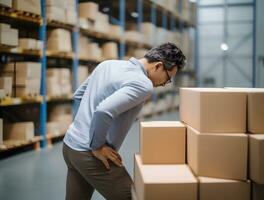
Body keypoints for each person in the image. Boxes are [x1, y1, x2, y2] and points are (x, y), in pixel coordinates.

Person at [62, 42, 186, 200]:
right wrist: (97, 146)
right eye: (167, 79)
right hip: (90, 153)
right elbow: (103, 111)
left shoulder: (108, 64)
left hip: (70, 146)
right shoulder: (143, 84)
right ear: (158, 66)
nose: (164, 84)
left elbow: (79, 95)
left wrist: (81, 128)